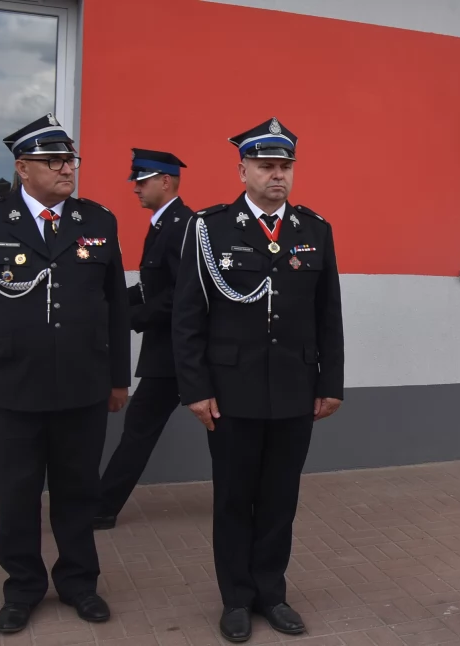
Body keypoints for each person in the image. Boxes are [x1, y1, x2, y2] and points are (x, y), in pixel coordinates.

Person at [0, 113, 129, 634]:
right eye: (54, 160)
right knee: (17, 496)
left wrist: (120, 378)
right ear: (23, 168)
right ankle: (23, 587)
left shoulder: (97, 221)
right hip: (11, 387)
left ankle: (78, 583)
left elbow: (115, 305)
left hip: (83, 386)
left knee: (78, 493)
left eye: (69, 159)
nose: (66, 168)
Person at [171, 117, 344, 643]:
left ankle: (272, 592)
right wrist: (195, 390)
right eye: (266, 166)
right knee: (234, 498)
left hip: (294, 389)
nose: (277, 175)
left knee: (279, 498)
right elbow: (187, 317)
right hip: (231, 392)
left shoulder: (314, 230)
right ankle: (236, 599)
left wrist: (330, 383)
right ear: (242, 168)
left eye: (285, 166)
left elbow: (327, 313)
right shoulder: (209, 228)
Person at [94, 149, 193, 529]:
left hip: (175, 353)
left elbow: (181, 293)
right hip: (165, 351)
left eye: (142, 181)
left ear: (165, 182)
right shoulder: (163, 223)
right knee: (140, 429)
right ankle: (102, 505)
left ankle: (102, 507)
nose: (135, 188)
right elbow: (154, 286)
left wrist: (129, 319)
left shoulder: (181, 225)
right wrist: (113, 303)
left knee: (139, 430)